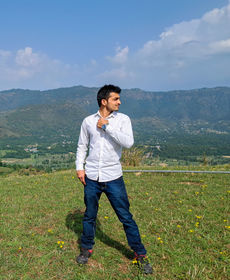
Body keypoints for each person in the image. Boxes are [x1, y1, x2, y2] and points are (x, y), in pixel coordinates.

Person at [75, 84, 153, 274]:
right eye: (115, 99)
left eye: (118, 99)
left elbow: (128, 143)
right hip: (92, 176)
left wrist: (107, 127)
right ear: (104, 101)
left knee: (125, 217)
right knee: (89, 215)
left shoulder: (123, 120)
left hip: (113, 177)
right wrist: (80, 168)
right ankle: (86, 249)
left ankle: (140, 254)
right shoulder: (87, 121)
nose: (119, 102)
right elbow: (82, 146)